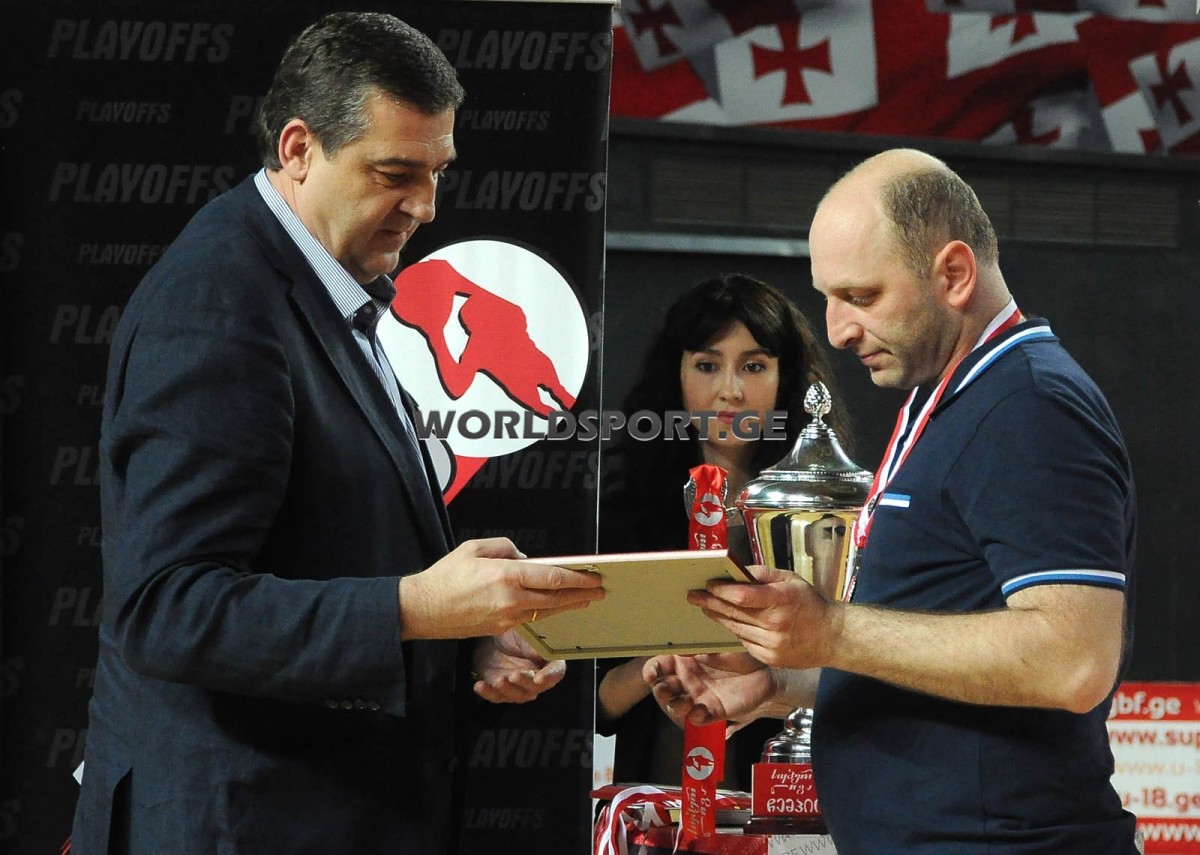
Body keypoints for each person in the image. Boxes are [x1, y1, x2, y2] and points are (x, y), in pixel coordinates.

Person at [69, 12, 604, 854]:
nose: (425, 206)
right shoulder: (215, 304)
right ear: (298, 148)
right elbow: (165, 607)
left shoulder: (324, 285)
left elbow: (324, 558)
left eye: (437, 172)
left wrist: (462, 642)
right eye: (395, 173)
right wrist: (416, 608)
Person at [645, 149, 1138, 853]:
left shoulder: (1029, 405)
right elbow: (937, 642)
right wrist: (782, 679)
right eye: (828, 297)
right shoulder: (950, 398)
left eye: (861, 296)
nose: (837, 330)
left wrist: (832, 632)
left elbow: (1074, 659)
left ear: (955, 274)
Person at [596, 273, 851, 791]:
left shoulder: (822, 510)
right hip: (649, 796)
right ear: (676, 373)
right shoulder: (619, 509)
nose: (729, 391)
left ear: (786, 377)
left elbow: (856, 675)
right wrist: (663, 661)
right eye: (707, 365)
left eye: (753, 366)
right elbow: (591, 702)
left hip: (793, 792)